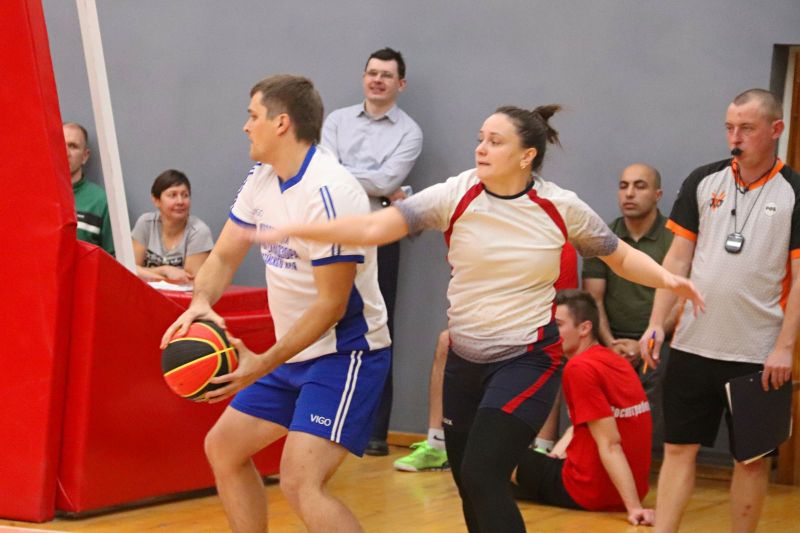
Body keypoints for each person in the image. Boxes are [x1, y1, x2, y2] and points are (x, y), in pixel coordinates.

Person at [255, 104, 704, 532]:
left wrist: (668, 279)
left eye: (495, 141)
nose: (481, 149)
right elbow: (375, 227)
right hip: (464, 362)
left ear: (526, 156)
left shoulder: (560, 206)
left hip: (527, 359)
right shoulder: (455, 194)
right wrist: (303, 227)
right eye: (480, 139)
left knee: (484, 472)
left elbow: (620, 256)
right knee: (469, 483)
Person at [161, 75, 391, 533]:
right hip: (292, 354)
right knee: (223, 448)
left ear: (281, 122)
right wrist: (200, 302)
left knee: (300, 482)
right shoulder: (261, 178)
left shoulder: (330, 194)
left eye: (253, 116)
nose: (246, 126)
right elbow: (224, 256)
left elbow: (331, 305)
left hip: (345, 354)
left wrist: (262, 362)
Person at [641, 88, 800, 533]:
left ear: (776, 129)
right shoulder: (703, 180)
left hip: (757, 354)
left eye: (747, 128)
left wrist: (785, 348)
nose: (735, 137)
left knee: (751, 460)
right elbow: (676, 260)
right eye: (730, 127)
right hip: (692, 345)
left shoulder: (795, 192)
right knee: (678, 449)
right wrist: (656, 324)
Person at [393, 242, 577, 472]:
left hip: (531, 332)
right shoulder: (479, 239)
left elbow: (560, 305)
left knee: (551, 346)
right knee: (446, 341)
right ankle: (437, 445)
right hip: (487, 327)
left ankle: (542, 447)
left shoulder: (559, 247)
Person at [322, 47, 423, 455]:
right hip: (332, 231)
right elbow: (327, 171)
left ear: (401, 84)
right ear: (363, 77)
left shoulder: (409, 132)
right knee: (323, 319)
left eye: (386, 75)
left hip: (380, 236)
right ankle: (323, 421)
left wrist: (374, 184)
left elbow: (387, 181)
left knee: (377, 326)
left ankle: (376, 431)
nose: (377, 80)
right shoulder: (336, 120)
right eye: (372, 73)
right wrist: (379, 187)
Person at [511, 290, 653, 526]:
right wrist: (555, 456)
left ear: (585, 328)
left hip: (587, 490)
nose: (551, 333)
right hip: (630, 488)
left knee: (494, 455)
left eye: (558, 325)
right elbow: (586, 424)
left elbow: (610, 443)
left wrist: (634, 509)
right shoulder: (615, 361)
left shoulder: (579, 368)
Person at [582, 163, 675, 447]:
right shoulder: (602, 237)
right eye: (624, 186)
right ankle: (597, 455)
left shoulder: (673, 238)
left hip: (659, 338)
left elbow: (680, 301)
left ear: (658, 194)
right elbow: (594, 299)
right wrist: (611, 344)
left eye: (639, 186)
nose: (629, 193)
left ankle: (643, 457)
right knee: (586, 369)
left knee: (659, 370)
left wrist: (647, 341)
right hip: (610, 339)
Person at [132, 169, 214, 284]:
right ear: (156, 200)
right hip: (144, 292)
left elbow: (189, 282)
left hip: (181, 295)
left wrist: (146, 274)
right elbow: (129, 269)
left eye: (185, 195)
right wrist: (164, 270)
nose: (180, 201)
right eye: (172, 195)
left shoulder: (199, 231)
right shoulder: (146, 223)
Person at [63, 122, 114, 255]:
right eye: (60, 144)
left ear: (85, 156)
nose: (65, 152)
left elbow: (113, 258)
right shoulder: (36, 197)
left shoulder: (101, 202)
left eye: (73, 146)